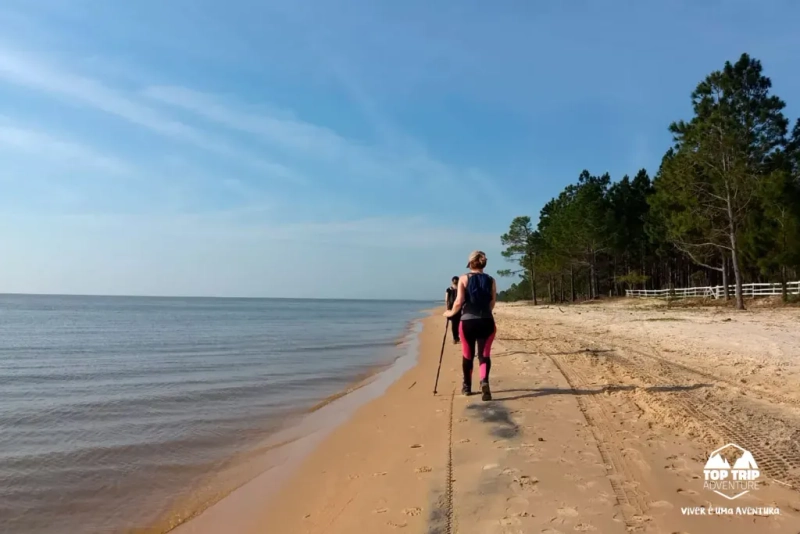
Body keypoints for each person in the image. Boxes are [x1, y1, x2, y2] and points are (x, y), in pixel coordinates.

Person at [443, 250, 497, 401]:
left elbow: (459, 301)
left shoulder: (463, 278)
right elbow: (492, 302)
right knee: (484, 355)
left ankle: (467, 387)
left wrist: (450, 313)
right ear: (483, 263)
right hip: (487, 321)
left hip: (468, 322)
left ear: (470, 263)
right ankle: (484, 381)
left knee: (468, 355)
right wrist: (485, 313)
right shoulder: (491, 280)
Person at [444, 276, 461, 344]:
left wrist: (447, 308)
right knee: (458, 323)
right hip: (458, 307)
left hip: (452, 308)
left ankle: (455, 337)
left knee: (454, 324)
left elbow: (446, 299)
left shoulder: (449, 289)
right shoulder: (460, 289)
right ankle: (456, 337)